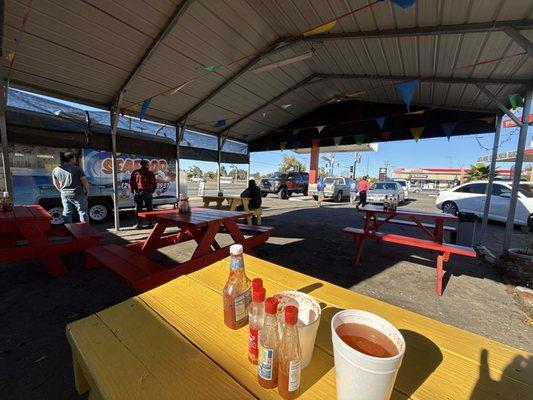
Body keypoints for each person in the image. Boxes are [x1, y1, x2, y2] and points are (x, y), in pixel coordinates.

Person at [52, 152, 90, 223]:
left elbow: (55, 183)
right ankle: (85, 230)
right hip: (78, 193)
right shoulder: (77, 169)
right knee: (82, 211)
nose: (75, 160)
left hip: (64, 194)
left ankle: (68, 230)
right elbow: (84, 181)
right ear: (71, 159)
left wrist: (61, 190)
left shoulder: (56, 169)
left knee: (67, 212)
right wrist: (87, 191)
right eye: (74, 158)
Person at [130, 160, 156, 229]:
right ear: (147, 165)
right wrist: (151, 191)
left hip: (139, 193)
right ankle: (150, 224)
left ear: (140, 165)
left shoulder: (135, 172)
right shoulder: (150, 173)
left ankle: (139, 224)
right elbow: (154, 184)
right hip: (148, 193)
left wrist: (133, 191)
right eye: (148, 164)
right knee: (149, 209)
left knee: (138, 209)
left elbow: (132, 183)